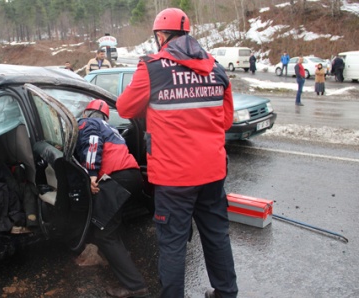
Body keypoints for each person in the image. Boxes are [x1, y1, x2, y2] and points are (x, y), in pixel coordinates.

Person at [116, 8, 237, 298]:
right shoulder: (217, 69)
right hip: (212, 172)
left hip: (175, 178)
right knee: (217, 236)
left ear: (161, 36)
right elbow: (226, 120)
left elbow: (125, 108)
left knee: (173, 243)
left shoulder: (152, 68)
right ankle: (226, 292)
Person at [74, 99, 149, 298]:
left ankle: (135, 286)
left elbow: (92, 144)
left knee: (104, 232)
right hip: (132, 176)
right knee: (113, 222)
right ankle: (120, 258)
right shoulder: (112, 129)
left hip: (116, 178)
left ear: (86, 113)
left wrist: (91, 174)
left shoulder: (88, 124)